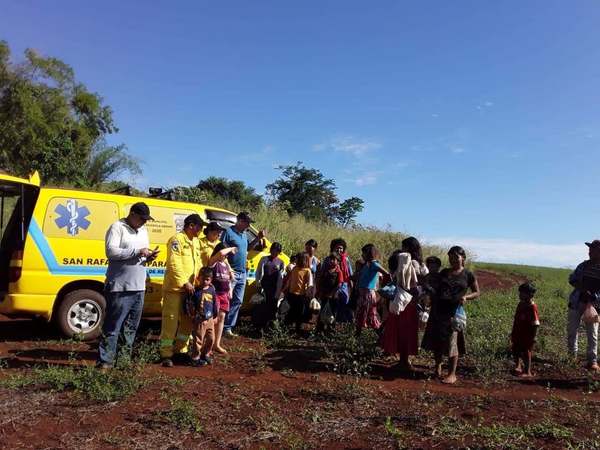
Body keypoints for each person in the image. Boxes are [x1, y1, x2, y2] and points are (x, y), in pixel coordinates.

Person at [97, 202, 158, 370]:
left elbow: (140, 255)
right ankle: (105, 362)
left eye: (146, 219)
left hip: (139, 286)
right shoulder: (117, 227)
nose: (144, 222)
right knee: (113, 326)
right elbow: (111, 252)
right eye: (142, 218)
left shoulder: (143, 230)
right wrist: (137, 252)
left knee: (131, 328)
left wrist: (148, 256)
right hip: (120, 287)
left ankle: (123, 362)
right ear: (132, 214)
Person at [421, 246, 480, 384]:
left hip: (453, 312)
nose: (453, 260)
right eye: (451, 257)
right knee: (437, 341)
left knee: (452, 343)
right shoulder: (444, 272)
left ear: (463, 258)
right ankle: (438, 367)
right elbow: (433, 285)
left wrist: (466, 297)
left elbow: (477, 292)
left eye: (456, 257)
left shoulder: (468, 275)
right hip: (438, 309)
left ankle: (452, 374)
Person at [159, 214, 205, 367]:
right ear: (191, 225)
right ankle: (166, 353)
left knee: (187, 322)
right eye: (199, 227)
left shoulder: (196, 241)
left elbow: (197, 264)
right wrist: (184, 282)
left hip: (191, 291)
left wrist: (198, 282)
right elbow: (174, 264)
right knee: (170, 321)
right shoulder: (177, 240)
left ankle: (181, 350)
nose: (201, 230)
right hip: (175, 289)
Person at [220, 211, 265, 337]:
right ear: (239, 220)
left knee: (238, 301)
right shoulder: (228, 233)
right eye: (247, 222)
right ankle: (218, 326)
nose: (248, 225)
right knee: (225, 300)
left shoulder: (244, 234)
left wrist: (258, 238)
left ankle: (227, 328)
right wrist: (227, 269)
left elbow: (247, 248)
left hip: (242, 273)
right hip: (231, 272)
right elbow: (221, 250)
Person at [381, 252, 420, 370]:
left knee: (402, 333)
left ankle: (404, 361)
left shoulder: (398, 273)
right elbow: (415, 290)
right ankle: (404, 361)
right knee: (404, 334)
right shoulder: (410, 272)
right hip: (406, 308)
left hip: (400, 307)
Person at [567, 240, 600, 371]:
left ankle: (592, 361)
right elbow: (572, 279)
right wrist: (582, 289)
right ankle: (572, 357)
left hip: (594, 304)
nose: (590, 251)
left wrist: (594, 296)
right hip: (577, 302)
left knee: (592, 333)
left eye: (593, 249)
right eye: (590, 249)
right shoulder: (583, 266)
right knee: (572, 330)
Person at [356, 244, 389, 335]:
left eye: (364, 253)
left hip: (368, 293)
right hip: (364, 293)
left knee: (365, 314)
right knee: (368, 314)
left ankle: (358, 335)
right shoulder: (367, 264)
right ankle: (380, 335)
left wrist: (385, 286)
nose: (362, 255)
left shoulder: (374, 264)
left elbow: (386, 274)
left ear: (369, 253)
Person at [189, 267, 219, 366]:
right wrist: (193, 315)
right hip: (200, 319)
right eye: (203, 279)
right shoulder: (195, 291)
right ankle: (195, 358)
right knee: (198, 339)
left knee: (211, 339)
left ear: (211, 280)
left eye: (208, 279)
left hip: (210, 318)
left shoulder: (212, 290)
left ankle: (205, 354)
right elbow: (190, 304)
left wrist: (215, 316)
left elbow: (215, 303)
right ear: (199, 278)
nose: (205, 281)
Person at [210, 243, 237, 354]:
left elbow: (229, 279)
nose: (226, 256)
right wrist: (231, 248)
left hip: (224, 295)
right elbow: (221, 253)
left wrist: (230, 290)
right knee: (213, 319)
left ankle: (217, 344)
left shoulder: (225, 264)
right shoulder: (213, 261)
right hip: (215, 294)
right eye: (226, 253)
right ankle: (209, 344)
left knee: (221, 318)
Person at [511, 282, 540, 377]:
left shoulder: (532, 307)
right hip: (517, 332)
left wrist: (534, 337)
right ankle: (518, 366)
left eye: (522, 293)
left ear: (530, 295)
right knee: (515, 349)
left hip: (527, 335)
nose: (520, 295)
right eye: (520, 293)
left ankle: (528, 372)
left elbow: (535, 324)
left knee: (526, 352)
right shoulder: (521, 304)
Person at [255, 242, 285, 328]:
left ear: (279, 252)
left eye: (277, 251)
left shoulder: (281, 262)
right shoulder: (264, 259)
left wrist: (279, 291)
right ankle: (260, 325)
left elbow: (281, 277)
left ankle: (271, 326)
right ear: (271, 250)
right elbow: (258, 272)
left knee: (273, 307)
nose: (274, 253)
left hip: (275, 288)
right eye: (273, 250)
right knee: (262, 306)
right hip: (264, 286)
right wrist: (258, 284)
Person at [282, 252, 314, 333]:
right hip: (291, 293)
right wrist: (284, 289)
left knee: (299, 312)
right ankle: (286, 328)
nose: (296, 260)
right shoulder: (294, 269)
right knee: (290, 310)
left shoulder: (307, 271)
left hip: (301, 295)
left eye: (298, 259)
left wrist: (308, 293)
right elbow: (290, 280)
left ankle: (297, 329)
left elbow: (310, 283)